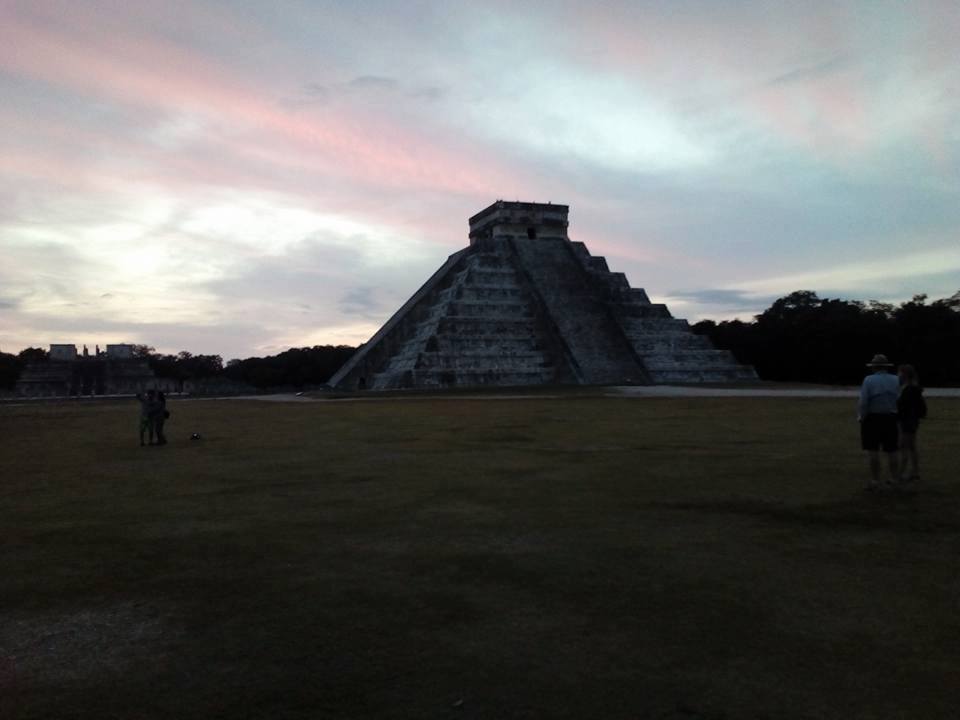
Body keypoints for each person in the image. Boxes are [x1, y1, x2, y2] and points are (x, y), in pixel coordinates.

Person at [858, 353, 900, 490]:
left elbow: (864, 402)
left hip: (873, 418)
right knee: (892, 450)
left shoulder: (869, 380)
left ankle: (875, 480)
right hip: (891, 417)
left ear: (874, 367)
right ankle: (894, 478)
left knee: (873, 450)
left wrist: (862, 417)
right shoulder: (896, 379)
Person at [897, 364, 925, 485]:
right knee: (912, 447)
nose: (898, 375)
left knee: (904, 446)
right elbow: (922, 408)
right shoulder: (915, 388)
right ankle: (915, 472)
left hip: (906, 421)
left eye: (899, 373)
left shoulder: (909, 390)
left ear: (904, 374)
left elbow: (903, 407)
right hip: (913, 421)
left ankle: (900, 474)